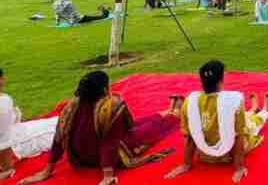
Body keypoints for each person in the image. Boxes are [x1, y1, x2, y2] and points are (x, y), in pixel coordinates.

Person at [20, 71, 180, 185]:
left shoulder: (70, 106)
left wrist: (47, 171)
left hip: (80, 158)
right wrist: (107, 176)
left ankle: (167, 112)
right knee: (147, 131)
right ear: (104, 89)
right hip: (105, 157)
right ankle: (174, 114)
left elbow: (58, 138)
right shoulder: (111, 107)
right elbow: (109, 144)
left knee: (139, 124)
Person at [165, 61, 268, 183]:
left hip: (205, 155)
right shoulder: (233, 101)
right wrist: (239, 167)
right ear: (221, 81)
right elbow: (239, 136)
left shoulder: (189, 102)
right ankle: (264, 111)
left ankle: (253, 109)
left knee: (243, 119)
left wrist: (186, 164)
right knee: (251, 124)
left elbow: (189, 136)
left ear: (202, 81)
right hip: (228, 155)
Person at [0, 68, 58, 180]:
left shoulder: (4, 100)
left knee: (56, 125)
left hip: (20, 134)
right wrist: (7, 169)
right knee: (59, 128)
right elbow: (4, 142)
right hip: (20, 142)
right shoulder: (3, 102)